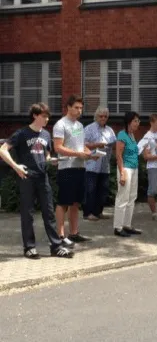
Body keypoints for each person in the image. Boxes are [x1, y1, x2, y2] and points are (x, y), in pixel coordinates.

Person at [0, 103, 74, 259]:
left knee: (49, 212)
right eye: (43, 116)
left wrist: (51, 160)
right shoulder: (22, 134)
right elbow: (2, 150)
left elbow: (45, 155)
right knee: (28, 213)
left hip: (42, 177)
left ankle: (56, 246)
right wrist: (16, 166)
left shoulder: (46, 135)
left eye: (48, 117)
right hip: (26, 177)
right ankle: (29, 247)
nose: (46, 119)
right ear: (35, 115)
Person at [53, 95, 96, 244]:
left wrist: (89, 153)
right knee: (63, 202)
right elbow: (58, 147)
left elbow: (81, 145)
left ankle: (74, 233)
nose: (79, 111)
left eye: (81, 108)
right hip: (66, 167)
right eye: (76, 107)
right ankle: (60, 235)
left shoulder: (79, 126)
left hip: (80, 167)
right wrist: (78, 153)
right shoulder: (60, 125)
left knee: (76, 202)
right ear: (68, 107)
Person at [83, 107, 116, 221]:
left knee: (103, 190)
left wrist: (111, 145)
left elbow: (114, 143)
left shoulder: (109, 130)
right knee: (91, 190)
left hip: (104, 164)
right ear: (96, 116)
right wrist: (97, 145)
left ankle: (98, 212)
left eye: (105, 116)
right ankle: (88, 213)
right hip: (92, 163)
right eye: (101, 116)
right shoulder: (89, 128)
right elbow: (83, 145)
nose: (103, 118)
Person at [113, 111, 142, 237]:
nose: (138, 123)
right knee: (123, 197)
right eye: (135, 120)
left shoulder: (132, 135)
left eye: (138, 121)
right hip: (126, 169)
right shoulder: (122, 135)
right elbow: (118, 155)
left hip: (134, 169)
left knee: (132, 197)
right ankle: (118, 227)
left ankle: (127, 225)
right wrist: (122, 173)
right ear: (129, 122)